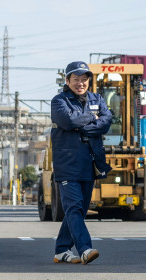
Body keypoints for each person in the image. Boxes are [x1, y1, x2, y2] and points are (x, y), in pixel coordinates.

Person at [50, 61, 112, 265]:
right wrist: (90, 117)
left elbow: (106, 122)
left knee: (78, 209)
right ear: (67, 81)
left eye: (84, 79)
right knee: (74, 207)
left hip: (90, 162)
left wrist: (83, 124)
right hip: (67, 164)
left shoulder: (97, 98)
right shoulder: (59, 101)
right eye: (76, 79)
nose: (81, 83)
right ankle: (85, 249)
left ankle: (61, 250)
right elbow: (67, 122)